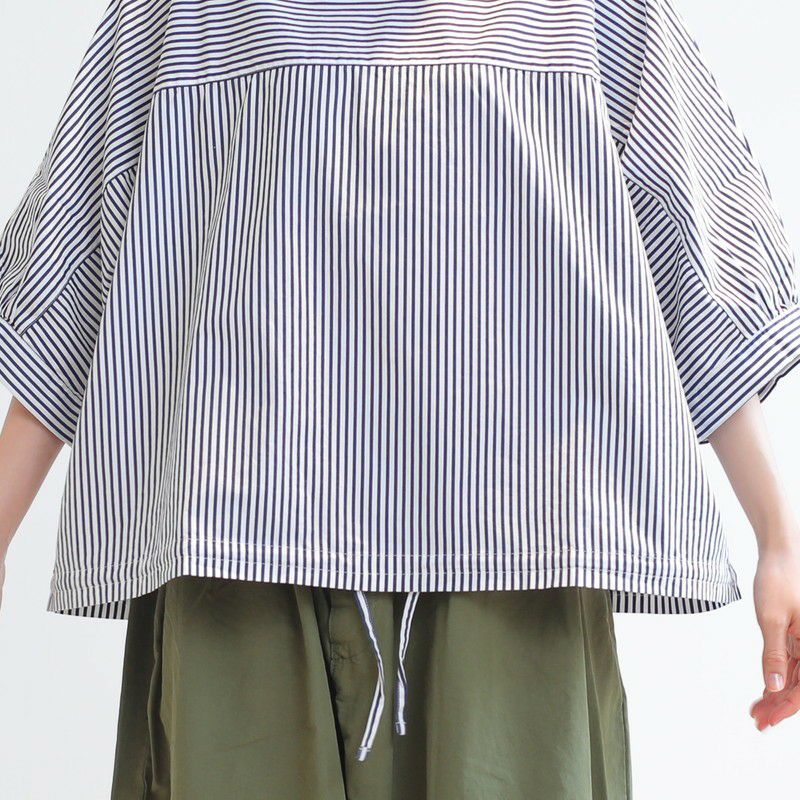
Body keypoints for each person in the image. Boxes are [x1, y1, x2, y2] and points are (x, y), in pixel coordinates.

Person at [1, 1, 800, 797]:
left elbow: (701, 270)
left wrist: (779, 540)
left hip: (515, 547)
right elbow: (67, 278)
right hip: (236, 549)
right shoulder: (181, 17)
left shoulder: (594, 16)